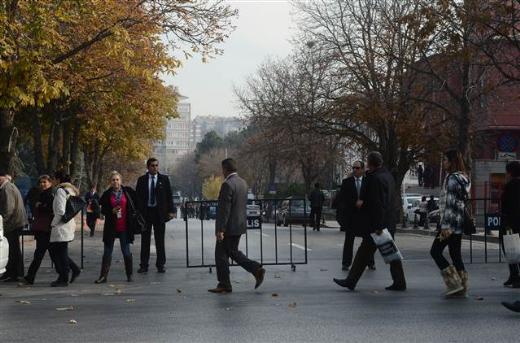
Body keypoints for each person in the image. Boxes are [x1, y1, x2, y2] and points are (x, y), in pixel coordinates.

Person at [333, 151, 406, 291]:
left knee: (365, 253)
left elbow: (377, 203)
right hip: (388, 221)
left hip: (377, 225)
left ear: (369, 164)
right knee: (389, 252)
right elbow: (390, 200)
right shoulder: (388, 176)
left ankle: (351, 281)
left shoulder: (375, 179)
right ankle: (399, 281)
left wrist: (377, 224)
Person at [208, 158, 265, 294]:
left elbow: (224, 209)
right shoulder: (243, 183)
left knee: (220, 255)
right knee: (232, 252)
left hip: (228, 227)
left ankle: (225, 284)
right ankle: (255, 270)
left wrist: (220, 229)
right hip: (238, 225)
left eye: (222, 169)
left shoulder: (227, 184)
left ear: (225, 169)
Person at [429, 150, 470, 297]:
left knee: (435, 251)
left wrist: (445, 225)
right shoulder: (464, 178)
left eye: (445, 160)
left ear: (452, 162)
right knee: (455, 254)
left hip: (449, 224)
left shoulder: (452, 179)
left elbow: (451, 203)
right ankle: (462, 286)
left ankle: (454, 284)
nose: (443, 163)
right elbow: (460, 203)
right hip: (458, 223)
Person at [95, 171, 140, 283]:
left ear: (121, 181)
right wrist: (111, 210)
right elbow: (102, 209)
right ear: (110, 182)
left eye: (117, 179)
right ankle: (103, 276)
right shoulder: (107, 194)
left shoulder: (128, 192)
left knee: (126, 251)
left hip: (125, 226)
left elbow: (138, 202)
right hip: (111, 227)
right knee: (107, 251)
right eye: (113, 180)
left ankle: (130, 275)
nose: (115, 182)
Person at [136, 158, 175, 273]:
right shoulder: (142, 180)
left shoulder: (164, 179)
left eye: (157, 165)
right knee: (145, 240)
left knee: (160, 241)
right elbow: (138, 196)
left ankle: (160, 264)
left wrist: (171, 211)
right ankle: (144, 265)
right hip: (146, 213)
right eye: (152, 165)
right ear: (148, 167)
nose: (155, 167)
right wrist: (138, 212)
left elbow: (169, 195)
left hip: (159, 214)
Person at [335, 161, 375, 271]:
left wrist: (363, 203)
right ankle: (346, 263)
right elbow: (343, 199)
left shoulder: (368, 181)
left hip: (365, 216)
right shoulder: (347, 182)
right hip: (351, 216)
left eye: (357, 168)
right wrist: (354, 203)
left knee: (368, 241)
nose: (355, 170)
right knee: (349, 240)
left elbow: (372, 197)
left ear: (363, 169)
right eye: (353, 168)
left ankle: (370, 262)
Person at [48, 171, 81, 287]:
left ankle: (64, 278)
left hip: (61, 225)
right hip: (67, 224)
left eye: (53, 179)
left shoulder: (61, 191)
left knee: (59, 252)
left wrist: (53, 223)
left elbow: (60, 211)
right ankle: (73, 270)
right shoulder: (70, 190)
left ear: (58, 180)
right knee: (60, 251)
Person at [23, 175, 55, 284]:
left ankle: (30, 277)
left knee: (40, 254)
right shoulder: (43, 194)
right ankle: (72, 269)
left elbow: (50, 209)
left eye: (45, 182)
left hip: (45, 229)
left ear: (50, 183)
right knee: (54, 254)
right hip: (42, 228)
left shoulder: (50, 195)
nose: (42, 184)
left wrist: (39, 205)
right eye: (41, 182)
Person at [0, 170, 28, 282]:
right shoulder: (7, 187)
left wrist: (2, 222)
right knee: (13, 248)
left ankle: (15, 273)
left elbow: (9, 209)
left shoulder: (7, 188)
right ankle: (14, 273)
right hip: (15, 222)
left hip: (13, 223)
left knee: (13, 249)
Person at [500, 161, 520, 289]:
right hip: (514, 221)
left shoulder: (512, 186)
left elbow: (510, 205)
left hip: (511, 223)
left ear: (510, 173)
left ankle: (515, 276)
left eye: (507, 172)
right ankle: (513, 275)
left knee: (511, 249)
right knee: (513, 249)